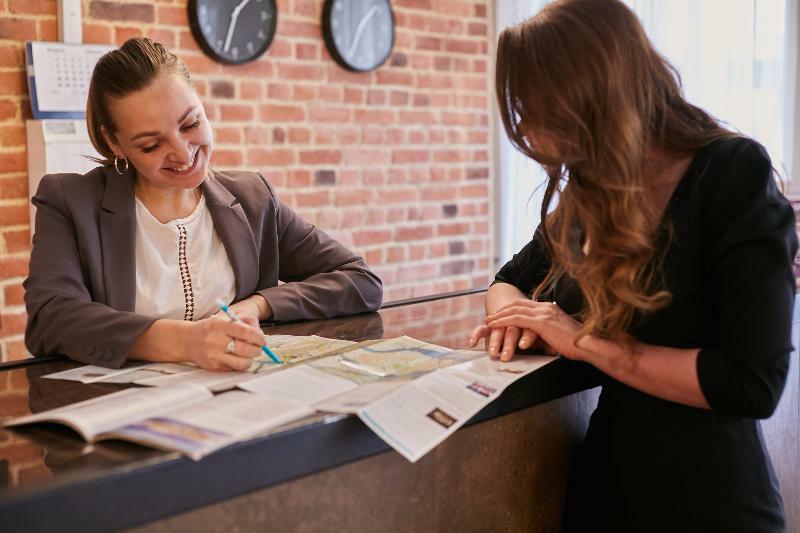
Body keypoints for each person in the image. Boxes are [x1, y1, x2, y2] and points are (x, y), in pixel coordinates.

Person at [468, 1, 797, 531]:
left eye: (533, 106)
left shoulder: (731, 174)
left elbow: (750, 383)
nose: (524, 127)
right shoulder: (590, 191)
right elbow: (508, 279)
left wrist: (582, 341)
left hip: (709, 499)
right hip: (607, 487)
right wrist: (514, 318)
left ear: (587, 94)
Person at [24, 38, 382, 372]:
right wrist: (187, 343)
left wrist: (256, 306)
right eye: (150, 144)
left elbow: (361, 280)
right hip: (128, 413)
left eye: (191, 123)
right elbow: (50, 319)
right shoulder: (69, 201)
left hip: (237, 401)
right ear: (114, 143)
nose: (183, 153)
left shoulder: (253, 198)